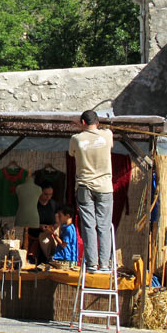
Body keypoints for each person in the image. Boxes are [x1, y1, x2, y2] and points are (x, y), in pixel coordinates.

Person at [69, 110, 114, 273]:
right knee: (104, 225)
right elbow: (107, 137)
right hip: (104, 187)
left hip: (84, 186)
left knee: (89, 225)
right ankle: (104, 263)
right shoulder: (107, 135)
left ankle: (92, 263)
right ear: (98, 122)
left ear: (82, 122)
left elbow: (72, 153)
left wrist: (80, 129)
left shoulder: (76, 139)